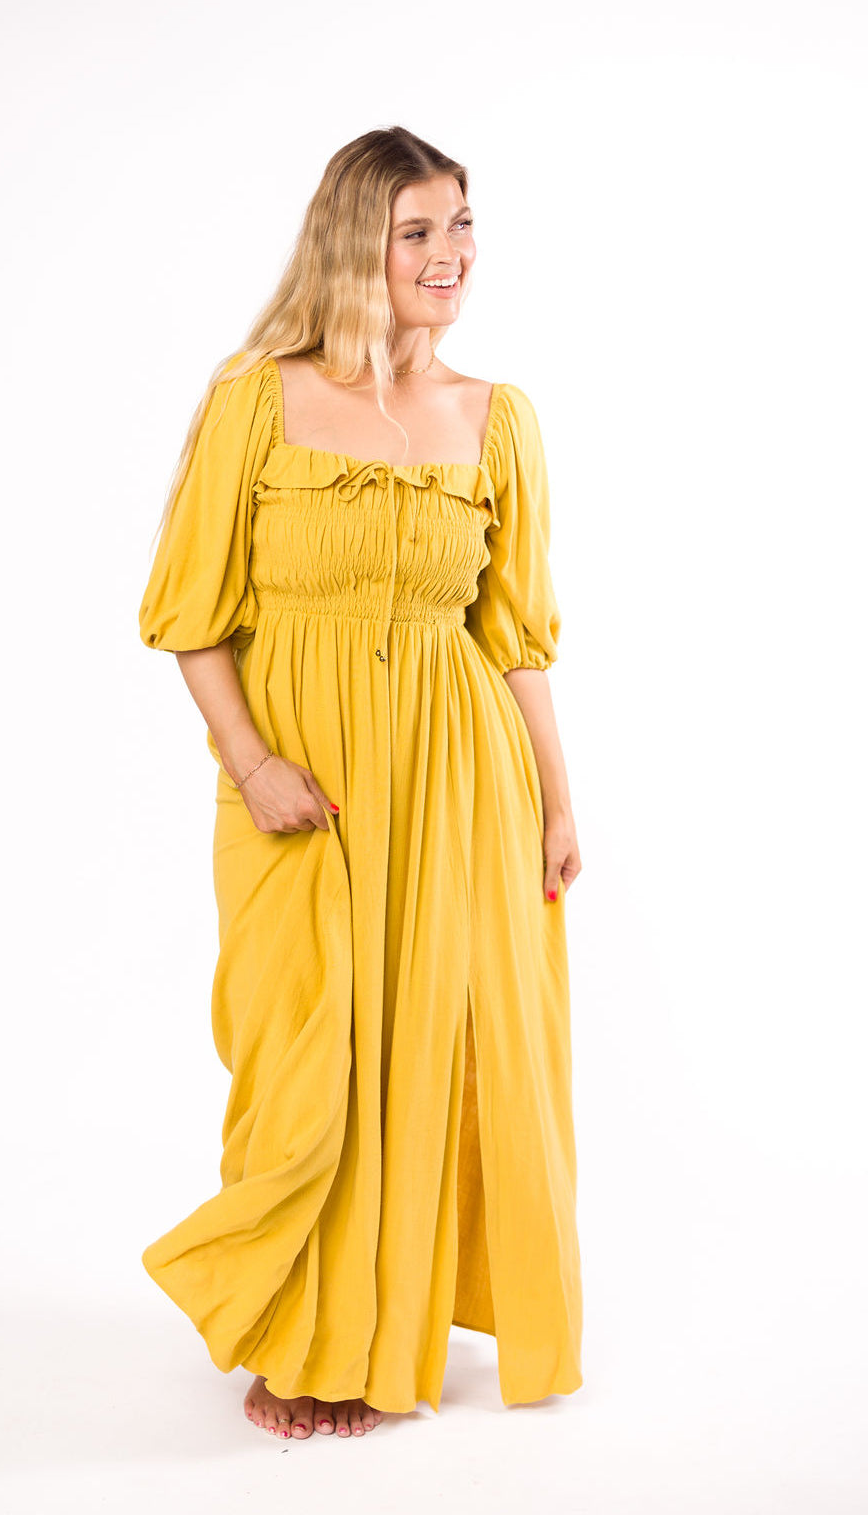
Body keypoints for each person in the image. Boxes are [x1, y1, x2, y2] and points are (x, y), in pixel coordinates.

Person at [137, 126, 583, 1443]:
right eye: (418, 232)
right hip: (301, 782)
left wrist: (557, 800)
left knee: (430, 1050)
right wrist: (252, 761)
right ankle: (305, 1328)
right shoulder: (255, 399)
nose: (452, 255)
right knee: (307, 1057)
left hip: (460, 780)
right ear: (352, 246)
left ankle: (377, 1344)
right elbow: (192, 617)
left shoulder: (497, 418)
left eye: (462, 226)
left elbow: (515, 639)